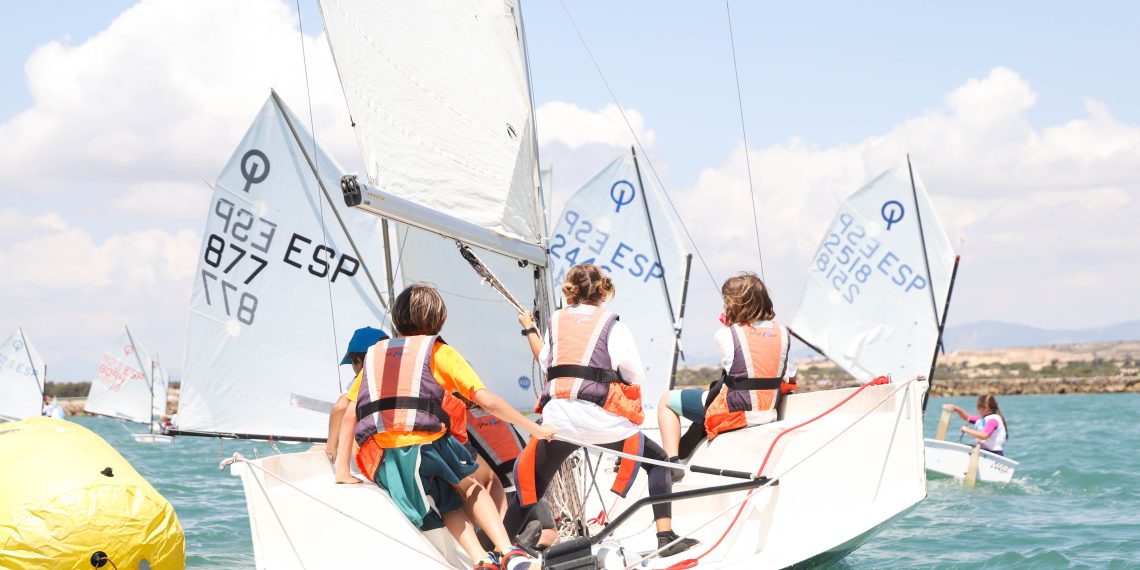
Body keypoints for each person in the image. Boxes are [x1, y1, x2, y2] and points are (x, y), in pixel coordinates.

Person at [348, 283, 551, 570]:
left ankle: (481, 560)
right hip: (427, 445)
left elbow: (344, 411)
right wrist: (535, 428)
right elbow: (487, 401)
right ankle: (508, 552)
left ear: (397, 318)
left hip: (387, 458)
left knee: (448, 504)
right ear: (439, 319)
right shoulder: (439, 352)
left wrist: (343, 472)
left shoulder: (376, 355)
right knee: (470, 486)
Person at [515, 263, 699, 558]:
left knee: (530, 479)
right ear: (603, 291)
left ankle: (505, 548)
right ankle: (665, 536)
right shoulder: (613, 325)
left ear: (570, 291)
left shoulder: (556, 322)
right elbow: (634, 375)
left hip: (559, 422)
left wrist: (529, 329)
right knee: (659, 462)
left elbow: (546, 363)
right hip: (604, 423)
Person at [657, 273, 797, 470]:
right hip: (769, 413)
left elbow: (735, 368)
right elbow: (789, 377)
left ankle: (671, 465)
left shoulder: (725, 334)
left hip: (736, 414)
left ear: (734, 304)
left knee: (666, 400)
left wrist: (730, 325)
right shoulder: (783, 333)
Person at [326, 326, 389, 476]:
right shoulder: (397, 376)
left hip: (369, 455)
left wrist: (331, 446)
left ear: (359, 362)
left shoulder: (360, 380)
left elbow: (340, 408)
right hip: (397, 447)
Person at [944, 395, 1009, 455]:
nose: (977, 410)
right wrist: (956, 409)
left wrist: (968, 430)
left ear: (986, 408)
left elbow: (984, 436)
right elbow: (967, 418)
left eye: (978, 407)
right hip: (983, 451)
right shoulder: (983, 418)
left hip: (994, 453)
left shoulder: (993, 420)